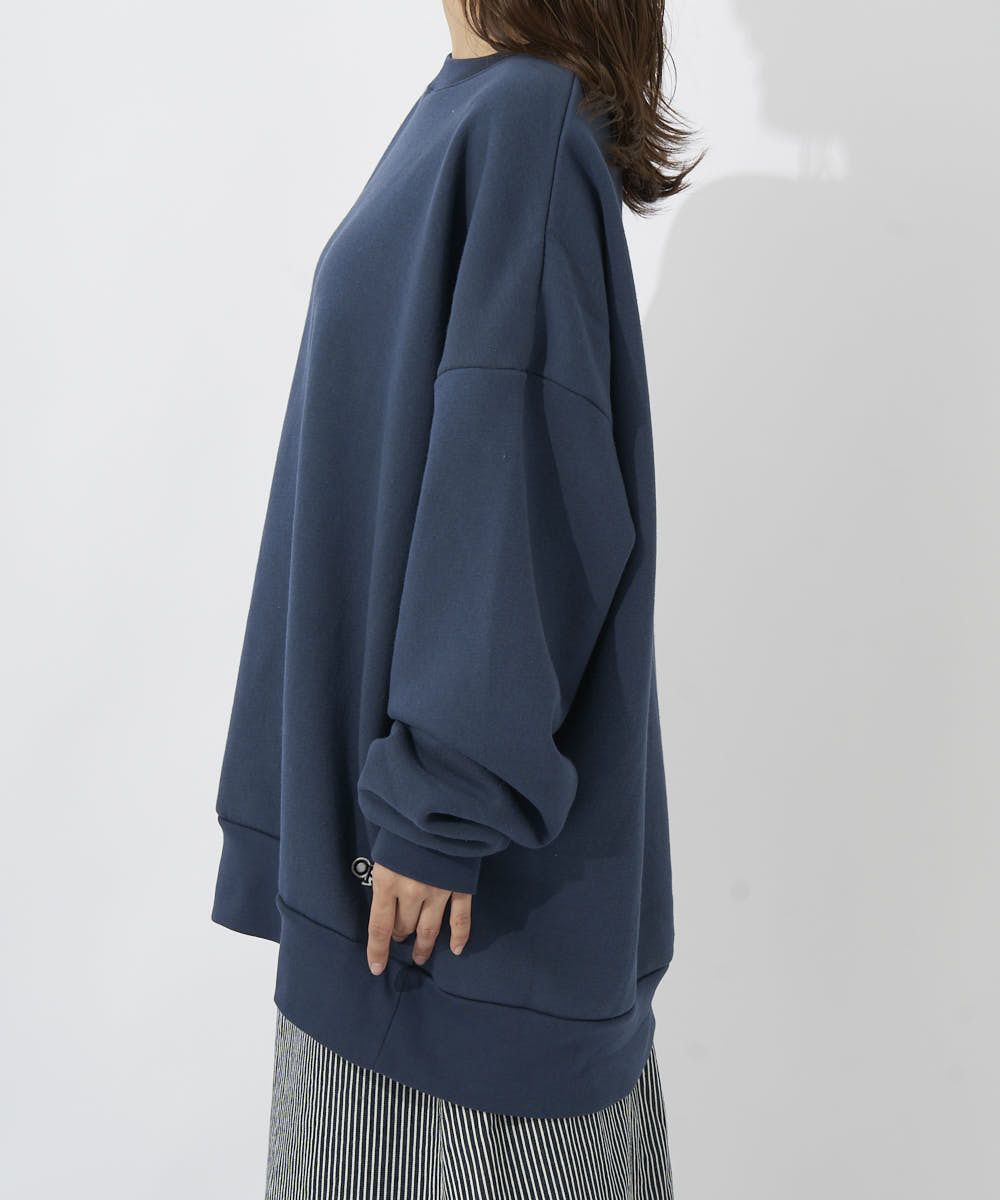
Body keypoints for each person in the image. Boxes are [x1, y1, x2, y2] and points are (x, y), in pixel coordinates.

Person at [211, 1, 703, 1195]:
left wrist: (438, 808)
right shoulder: (468, 107)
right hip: (391, 877)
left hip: (447, 913)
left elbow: (516, 478)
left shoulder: (520, 119)